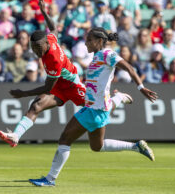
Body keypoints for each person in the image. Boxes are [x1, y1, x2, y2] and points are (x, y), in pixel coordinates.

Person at [28, 27, 158, 187]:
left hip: (94, 110)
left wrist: (141, 88)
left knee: (65, 139)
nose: (86, 42)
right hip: (96, 108)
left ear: (98, 41)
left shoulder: (107, 54)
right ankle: (135, 145)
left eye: (89, 40)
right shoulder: (98, 56)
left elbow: (129, 68)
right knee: (97, 146)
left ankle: (50, 179)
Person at [0, 0, 87, 147]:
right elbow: (54, 29)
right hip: (59, 85)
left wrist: (23, 93)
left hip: (73, 86)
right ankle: (15, 136)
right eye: (34, 48)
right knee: (36, 106)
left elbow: (47, 88)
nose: (37, 51)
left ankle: (117, 98)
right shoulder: (49, 39)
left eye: (39, 47)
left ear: (46, 43)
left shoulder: (53, 59)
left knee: (99, 107)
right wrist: (44, 12)